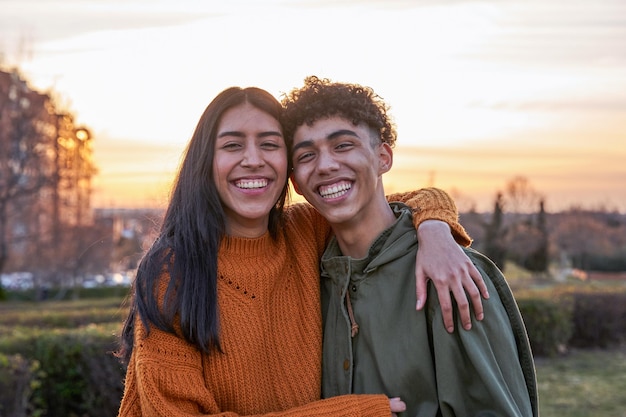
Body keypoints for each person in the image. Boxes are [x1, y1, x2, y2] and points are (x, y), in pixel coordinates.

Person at [115, 85, 486, 416]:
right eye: (232, 145)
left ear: (288, 167)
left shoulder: (305, 230)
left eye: (270, 144)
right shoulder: (172, 275)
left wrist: (435, 229)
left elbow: (393, 203)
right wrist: (350, 413)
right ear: (205, 163)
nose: (253, 159)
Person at [281, 76, 539, 417]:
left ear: (383, 157)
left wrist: (434, 226)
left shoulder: (451, 275)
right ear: (297, 182)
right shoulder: (308, 280)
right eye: (307, 155)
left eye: (343, 145)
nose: (326, 165)